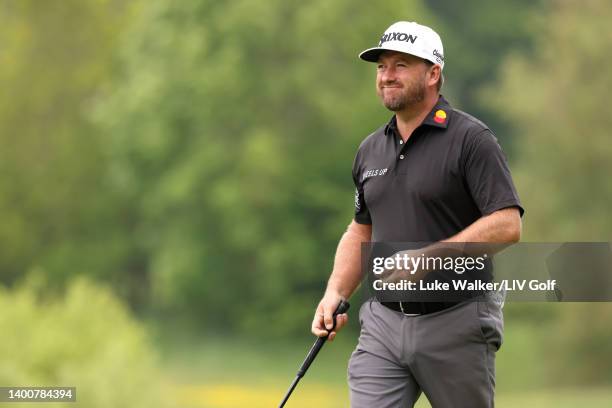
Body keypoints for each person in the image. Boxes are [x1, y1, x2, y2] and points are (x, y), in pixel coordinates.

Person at [311, 21, 524, 407]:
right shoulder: (371, 149)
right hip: (383, 324)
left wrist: (428, 258)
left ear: (433, 73)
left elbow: (508, 224)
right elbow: (361, 230)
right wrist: (335, 292)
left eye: (401, 65)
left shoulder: (471, 140)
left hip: (456, 320)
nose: (387, 76)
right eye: (381, 67)